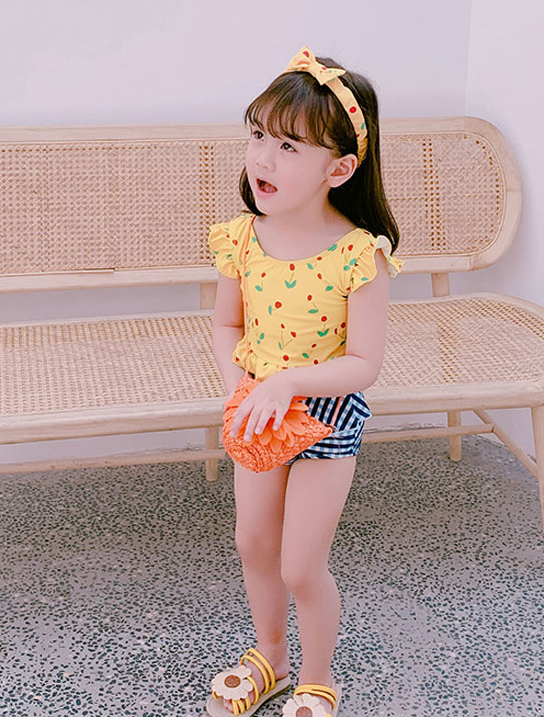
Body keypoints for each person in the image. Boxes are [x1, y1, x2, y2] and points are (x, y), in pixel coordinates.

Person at [205, 46, 403, 717]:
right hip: (258, 411)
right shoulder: (241, 240)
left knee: (299, 565)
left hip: (325, 418)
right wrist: (240, 386)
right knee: (253, 543)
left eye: (289, 147)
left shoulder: (358, 255)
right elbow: (226, 325)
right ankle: (272, 657)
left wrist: (286, 384)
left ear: (338, 169)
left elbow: (364, 364)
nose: (263, 158)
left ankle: (318, 679)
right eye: (258, 135)